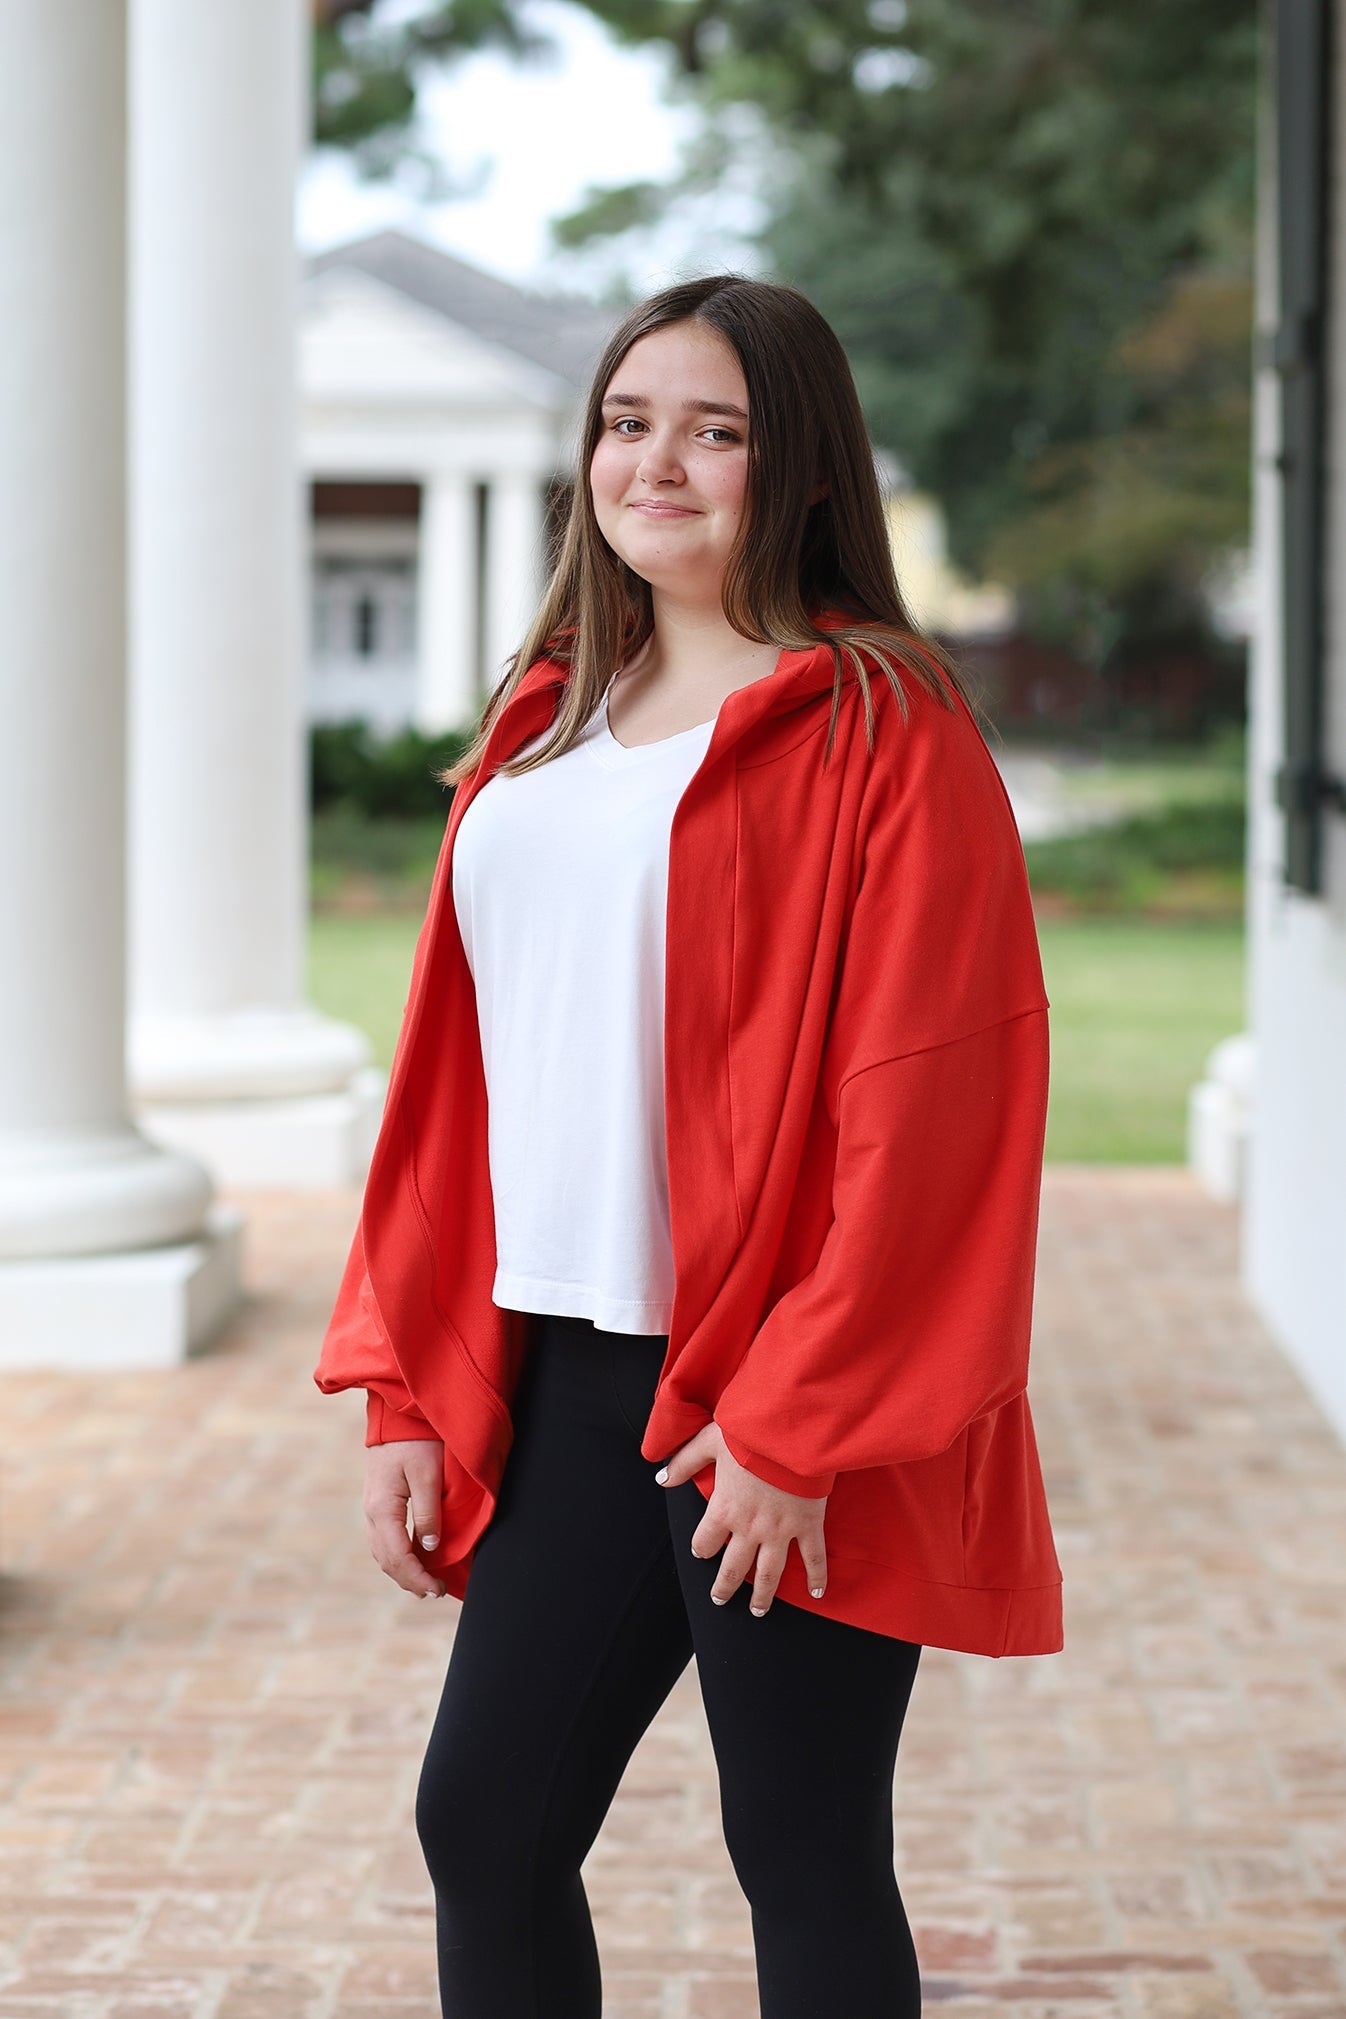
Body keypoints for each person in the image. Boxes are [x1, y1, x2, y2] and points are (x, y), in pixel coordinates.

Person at [314, 273, 1063, 2019]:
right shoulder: (547, 719)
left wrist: (802, 1419)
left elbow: (936, 1110)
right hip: (566, 1368)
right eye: (625, 421)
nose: (653, 463)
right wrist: (408, 1388)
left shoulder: (879, 726)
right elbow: (457, 1088)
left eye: (712, 431)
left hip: (774, 1396)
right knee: (485, 1827)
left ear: (798, 468)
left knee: (800, 1849)